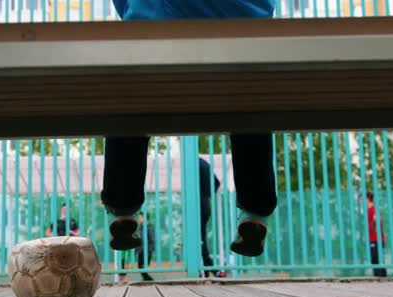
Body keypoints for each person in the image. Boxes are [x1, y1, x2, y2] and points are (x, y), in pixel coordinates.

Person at [103, 0, 278, 258]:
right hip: (238, 45)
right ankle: (255, 212)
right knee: (250, 100)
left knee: (128, 98)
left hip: (153, 42)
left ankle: (123, 208)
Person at [199, 158, 225, 278]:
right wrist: (207, 193)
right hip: (205, 203)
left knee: (198, 239)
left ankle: (208, 269)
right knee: (201, 238)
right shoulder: (205, 163)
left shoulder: (191, 162)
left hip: (196, 205)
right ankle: (207, 269)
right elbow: (217, 184)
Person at [119, 212, 154, 282]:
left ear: (144, 218)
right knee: (140, 266)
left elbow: (151, 240)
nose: (139, 218)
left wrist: (150, 250)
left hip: (146, 251)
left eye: (140, 217)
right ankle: (147, 279)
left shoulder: (149, 227)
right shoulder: (139, 227)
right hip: (139, 250)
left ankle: (148, 279)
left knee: (142, 266)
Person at [367, 192, 387, 277]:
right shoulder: (369, 210)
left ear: (367, 199)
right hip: (373, 238)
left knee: (376, 259)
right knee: (376, 259)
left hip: (377, 238)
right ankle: (380, 277)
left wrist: (372, 223)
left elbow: (378, 221)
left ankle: (380, 277)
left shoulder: (374, 209)